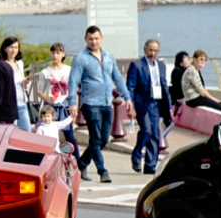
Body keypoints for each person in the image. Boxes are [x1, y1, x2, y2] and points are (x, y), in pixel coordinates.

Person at [68, 25, 132, 183]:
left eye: (96, 38)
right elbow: (73, 81)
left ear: (101, 38)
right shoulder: (81, 58)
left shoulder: (109, 56)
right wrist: (72, 103)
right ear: (85, 39)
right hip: (90, 103)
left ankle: (81, 163)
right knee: (96, 139)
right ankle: (102, 171)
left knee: (103, 139)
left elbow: (117, 78)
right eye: (90, 39)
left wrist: (128, 98)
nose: (93, 42)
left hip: (106, 103)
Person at [126, 39, 174, 175]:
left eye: (155, 50)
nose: (152, 53)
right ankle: (136, 155)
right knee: (146, 131)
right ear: (145, 50)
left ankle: (150, 166)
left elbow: (165, 87)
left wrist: (169, 108)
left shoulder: (161, 66)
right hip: (142, 104)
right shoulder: (136, 65)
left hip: (156, 104)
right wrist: (131, 105)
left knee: (154, 135)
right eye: (150, 50)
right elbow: (130, 86)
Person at [35, 43, 78, 156]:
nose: (55, 55)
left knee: (69, 136)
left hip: (64, 106)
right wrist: (47, 98)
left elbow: (73, 89)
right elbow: (39, 91)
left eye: (58, 52)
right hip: (50, 107)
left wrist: (74, 107)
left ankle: (77, 163)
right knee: (46, 135)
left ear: (63, 54)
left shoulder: (69, 70)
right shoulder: (45, 72)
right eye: (53, 52)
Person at [0, 36, 30, 131]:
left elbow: (19, 81)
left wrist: (25, 81)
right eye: (11, 47)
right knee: (12, 134)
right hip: (9, 107)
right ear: (5, 48)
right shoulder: (2, 65)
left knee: (27, 132)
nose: (14, 50)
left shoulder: (20, 63)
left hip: (22, 104)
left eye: (16, 47)